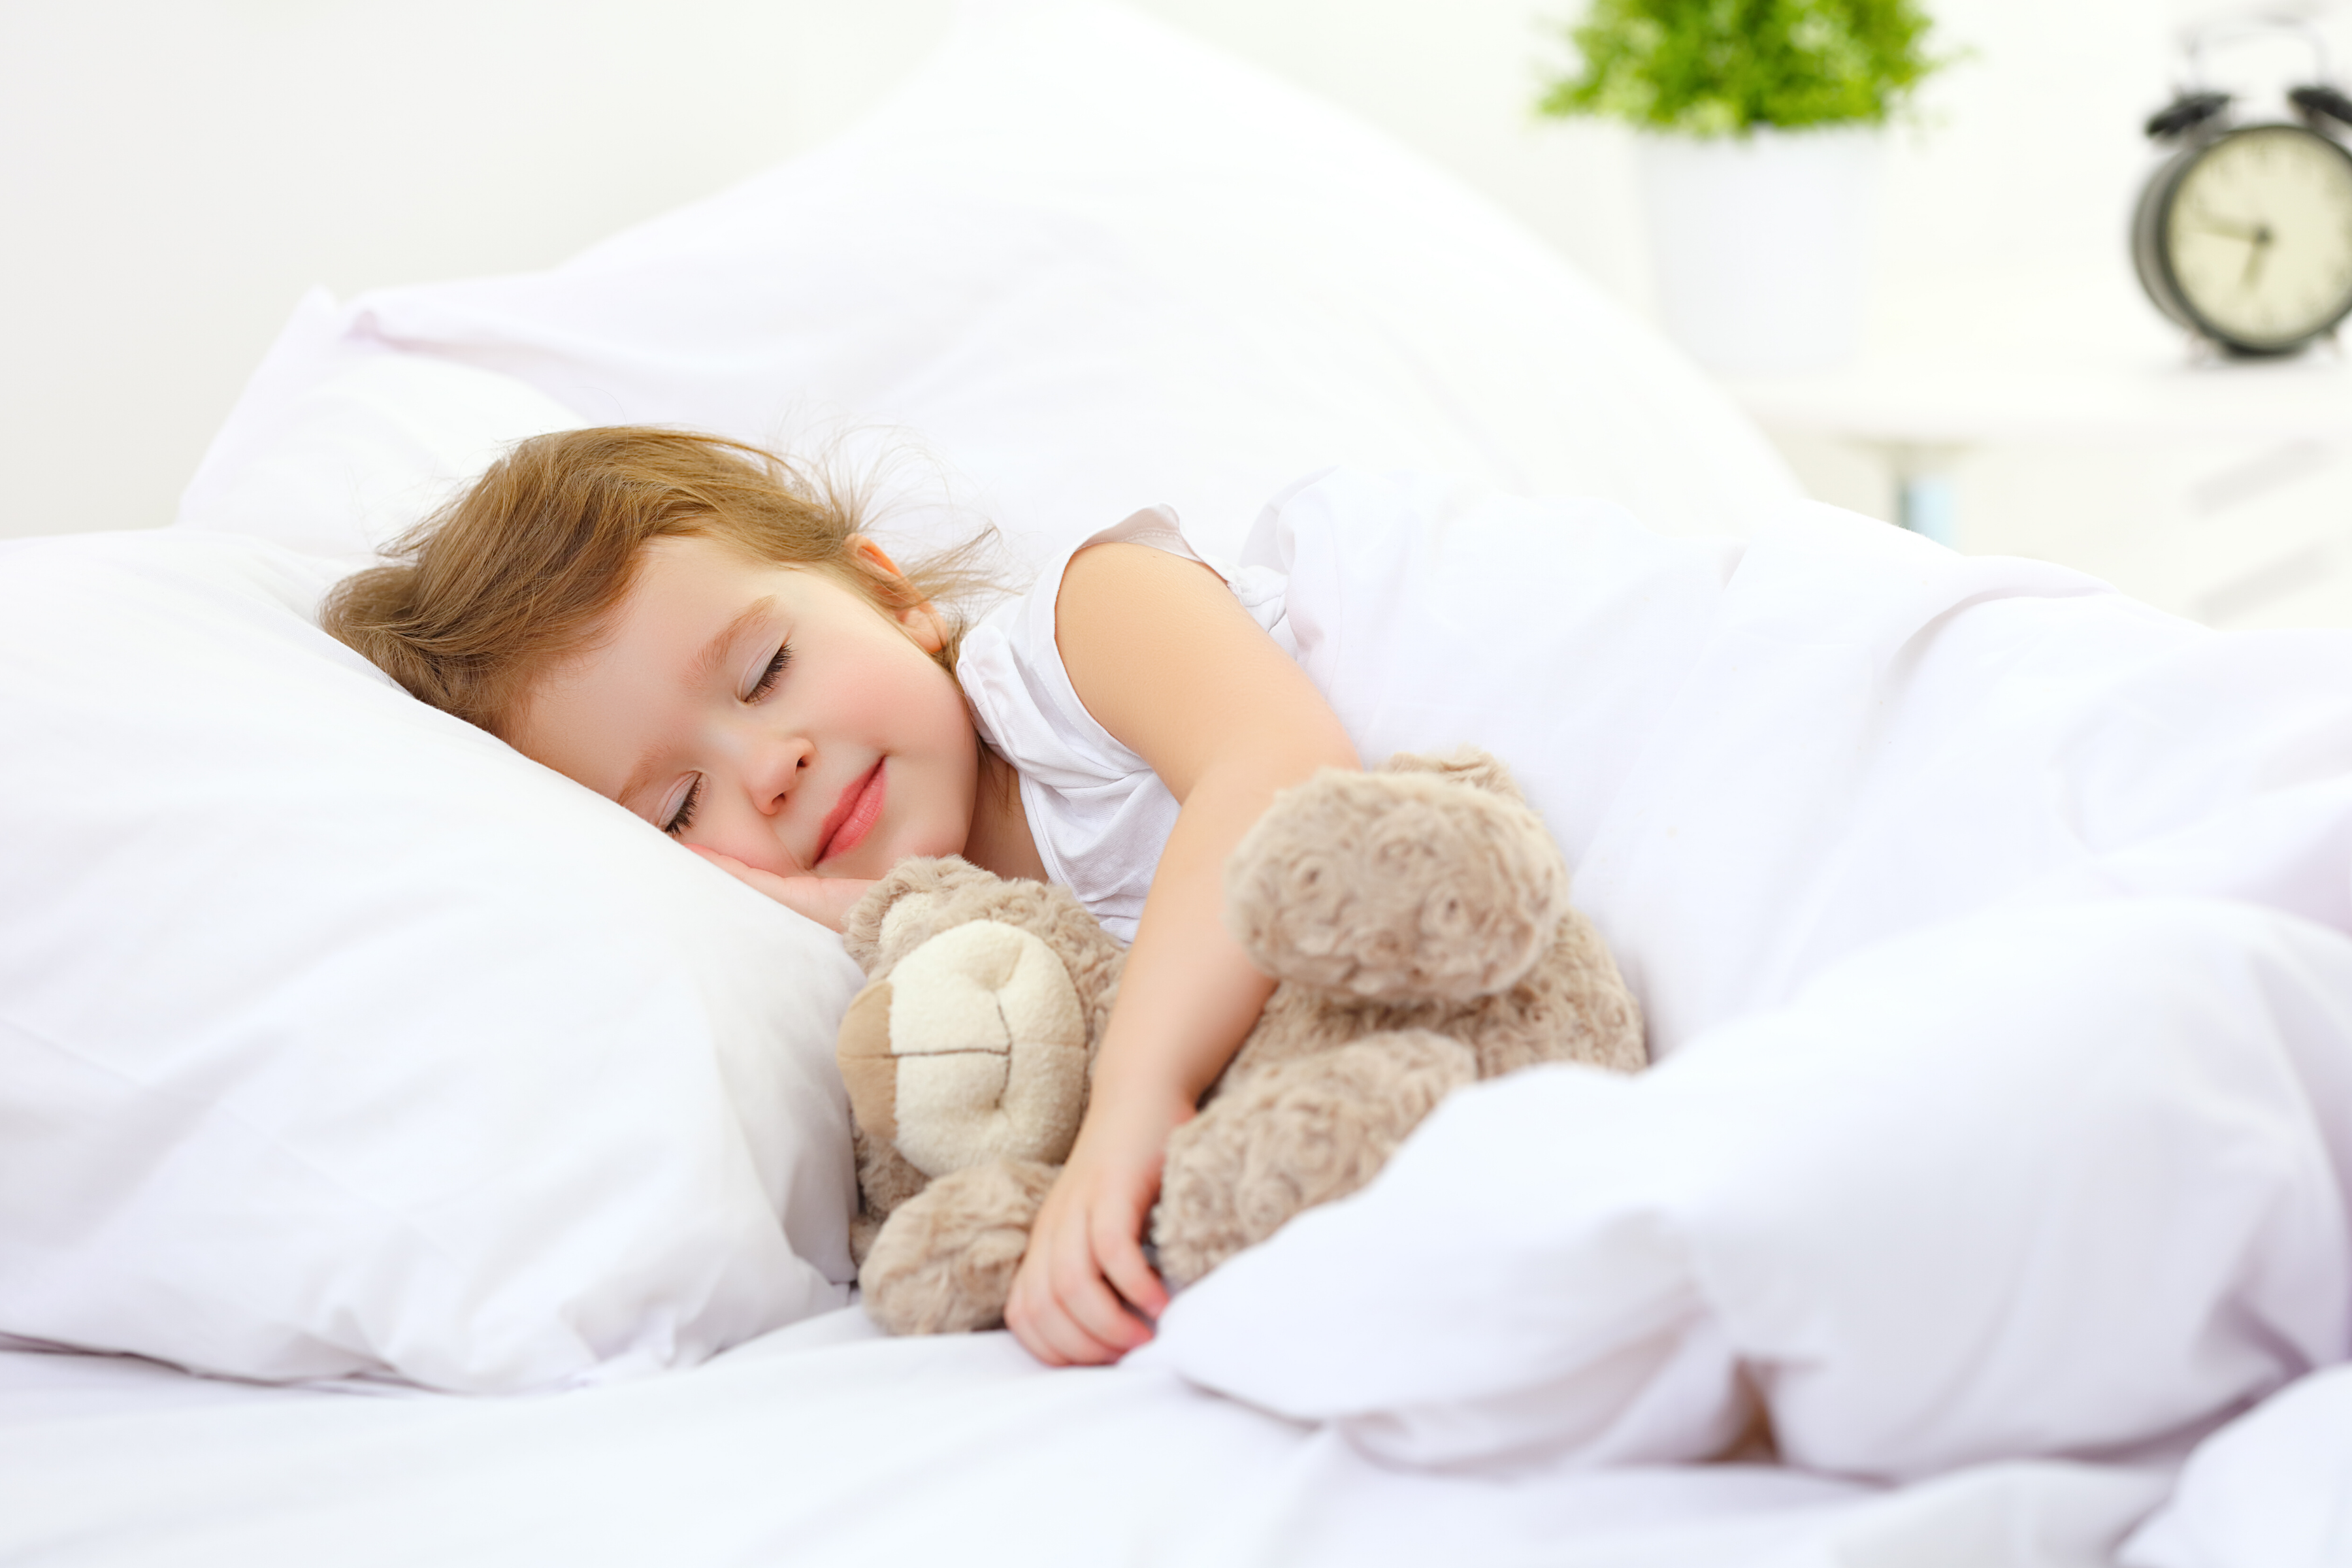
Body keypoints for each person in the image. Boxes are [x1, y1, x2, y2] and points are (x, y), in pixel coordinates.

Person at [323, 425, 1360, 1369]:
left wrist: (1141, 1092)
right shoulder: (929, 984)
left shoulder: (1081, 634)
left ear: (892, 598)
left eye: (768, 670)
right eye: (683, 808)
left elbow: (1280, 776)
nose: (772, 769)